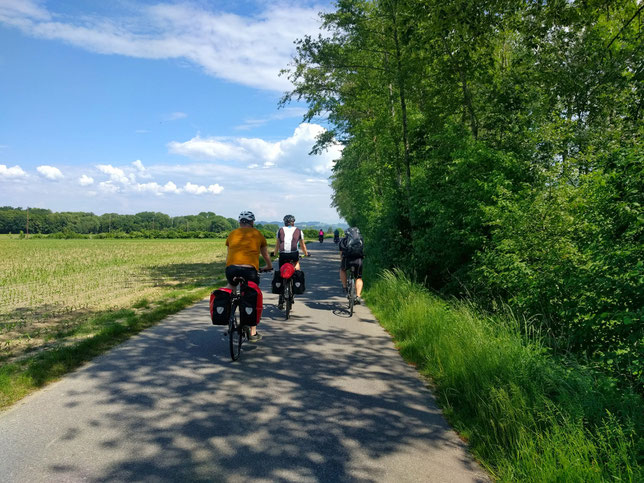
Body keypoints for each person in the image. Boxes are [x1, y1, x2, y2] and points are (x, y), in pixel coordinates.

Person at [225, 210, 273, 342]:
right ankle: (252, 332)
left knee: (230, 288)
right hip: (249, 272)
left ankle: (228, 314)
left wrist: (229, 270)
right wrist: (269, 266)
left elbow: (229, 255)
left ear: (240, 222)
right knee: (251, 297)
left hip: (231, 269)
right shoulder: (257, 234)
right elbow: (265, 255)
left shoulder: (232, 234)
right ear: (252, 222)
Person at [273, 214, 309, 310]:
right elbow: (302, 245)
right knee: (296, 269)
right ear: (293, 222)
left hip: (283, 254)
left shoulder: (280, 230)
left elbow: (277, 245)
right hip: (294, 254)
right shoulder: (298, 230)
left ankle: (281, 298)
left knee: (281, 272)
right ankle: (295, 287)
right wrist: (306, 253)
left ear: (284, 222)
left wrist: (274, 253)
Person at [339, 226, 365, 304]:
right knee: (359, 278)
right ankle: (358, 296)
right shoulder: (361, 240)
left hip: (347, 260)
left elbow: (341, 254)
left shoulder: (343, 241)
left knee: (342, 270)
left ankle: (344, 287)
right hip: (358, 261)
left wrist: (342, 261)